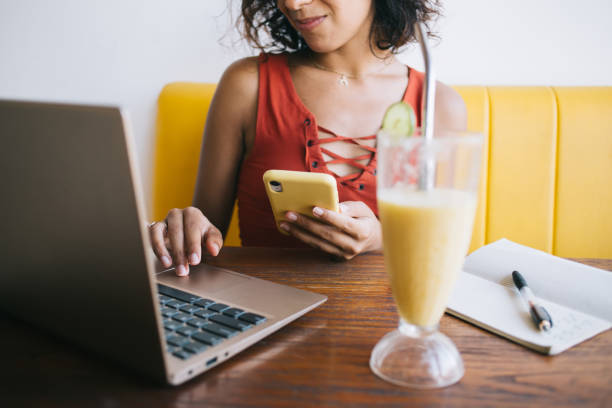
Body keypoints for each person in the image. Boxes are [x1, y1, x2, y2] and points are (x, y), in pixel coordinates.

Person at [149, 0, 466, 276]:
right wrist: (186, 229)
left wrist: (378, 240)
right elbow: (204, 237)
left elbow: (441, 259)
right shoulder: (246, 85)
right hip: (261, 321)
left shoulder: (439, 106)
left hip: (385, 329)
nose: (293, 3)